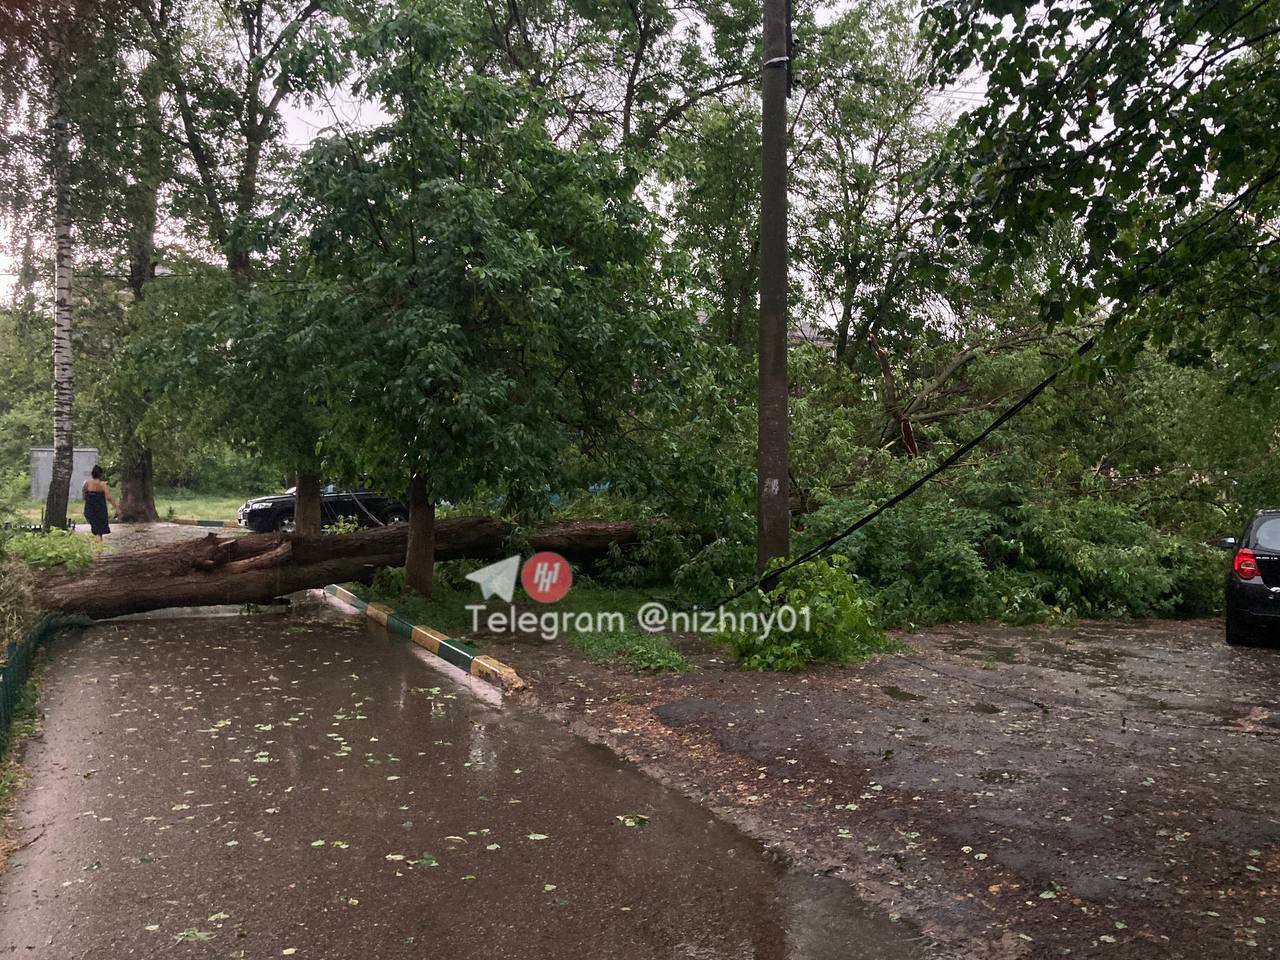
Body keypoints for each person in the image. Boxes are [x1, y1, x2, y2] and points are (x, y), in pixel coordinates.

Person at [82, 465, 118, 541]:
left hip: (89, 509)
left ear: (92, 474)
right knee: (99, 531)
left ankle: (98, 547)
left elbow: (84, 495)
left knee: (96, 529)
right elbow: (108, 497)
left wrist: (89, 501)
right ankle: (98, 548)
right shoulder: (103, 485)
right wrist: (116, 507)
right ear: (100, 474)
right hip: (100, 510)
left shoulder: (87, 483)